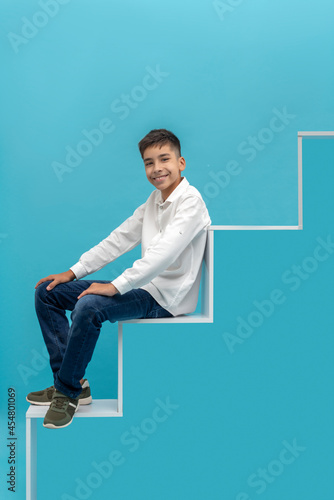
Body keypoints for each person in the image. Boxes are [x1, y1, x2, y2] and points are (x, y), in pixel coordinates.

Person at [27, 128, 211, 429]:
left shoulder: (191, 202)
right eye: (149, 163)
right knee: (47, 292)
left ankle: (67, 393)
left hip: (166, 298)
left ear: (181, 163)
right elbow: (118, 239)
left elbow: (163, 254)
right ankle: (70, 383)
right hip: (143, 285)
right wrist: (72, 272)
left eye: (164, 159)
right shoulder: (153, 201)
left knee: (90, 307)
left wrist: (115, 286)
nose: (156, 168)